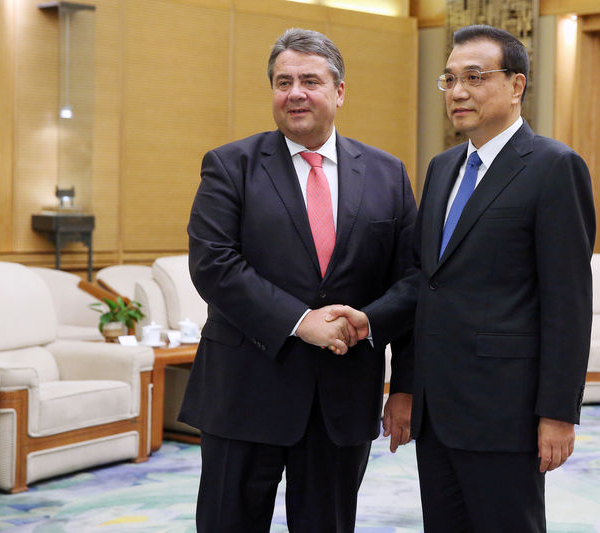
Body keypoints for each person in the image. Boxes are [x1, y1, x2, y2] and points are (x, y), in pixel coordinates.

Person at [331, 24, 595, 532]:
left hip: (505, 410)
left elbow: (568, 304)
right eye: (449, 79)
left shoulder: (554, 168)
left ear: (516, 85)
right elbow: (424, 283)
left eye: (474, 77)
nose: (458, 92)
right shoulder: (443, 166)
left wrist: (559, 413)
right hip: (437, 411)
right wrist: (387, 353)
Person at [178, 28, 416, 532]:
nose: (295, 93)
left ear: (340, 91)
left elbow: (412, 281)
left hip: (342, 398)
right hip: (244, 393)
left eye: (310, 80)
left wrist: (402, 378)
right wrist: (300, 321)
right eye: (283, 82)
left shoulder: (387, 173)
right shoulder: (230, 165)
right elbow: (213, 264)